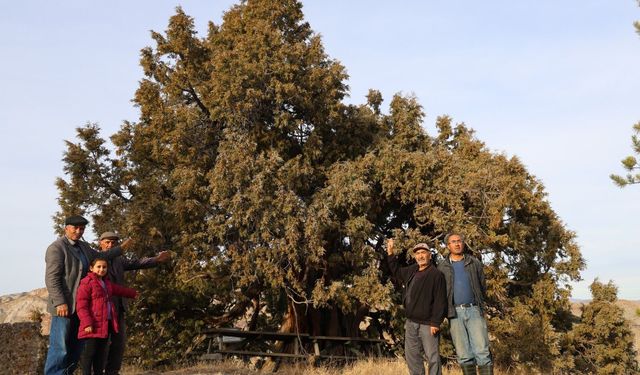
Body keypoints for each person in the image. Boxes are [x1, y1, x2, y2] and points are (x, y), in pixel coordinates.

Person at [44, 215, 130, 375]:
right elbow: (52, 278)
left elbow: (101, 257)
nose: (78, 231)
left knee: (76, 347)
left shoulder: (83, 247)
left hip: (82, 308)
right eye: (75, 228)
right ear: (66, 228)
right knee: (60, 347)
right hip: (64, 307)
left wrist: (121, 249)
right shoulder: (56, 248)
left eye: (81, 228)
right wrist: (60, 302)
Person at [98, 231, 171, 375]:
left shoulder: (119, 260)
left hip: (119, 307)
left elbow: (136, 262)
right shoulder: (96, 259)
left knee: (119, 343)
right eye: (107, 242)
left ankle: (113, 371)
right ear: (101, 243)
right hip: (102, 309)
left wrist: (156, 259)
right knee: (101, 343)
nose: (110, 245)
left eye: (113, 243)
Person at [386, 239, 447, 375]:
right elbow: (396, 271)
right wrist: (390, 253)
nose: (420, 256)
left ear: (429, 255)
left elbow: (440, 300)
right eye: (417, 253)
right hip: (411, 322)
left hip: (428, 324)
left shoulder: (436, 275)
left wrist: (436, 322)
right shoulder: (412, 271)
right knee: (412, 357)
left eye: (423, 253)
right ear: (415, 256)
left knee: (433, 358)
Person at [437, 233, 493, 375]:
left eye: (459, 241)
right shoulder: (442, 267)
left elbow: (482, 286)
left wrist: (480, 304)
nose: (457, 244)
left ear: (463, 243)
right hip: (454, 313)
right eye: (453, 242)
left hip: (474, 310)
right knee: (464, 354)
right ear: (448, 246)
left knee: (482, 351)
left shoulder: (474, 263)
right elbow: (440, 291)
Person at [76, 257, 137, 375]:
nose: (101, 269)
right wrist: (87, 323)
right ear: (91, 268)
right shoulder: (87, 283)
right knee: (89, 354)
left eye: (104, 267)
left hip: (105, 324)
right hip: (92, 325)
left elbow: (119, 290)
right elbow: (81, 305)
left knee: (101, 354)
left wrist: (133, 293)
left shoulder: (106, 283)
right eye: (98, 267)